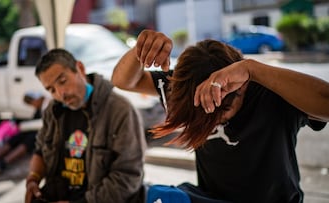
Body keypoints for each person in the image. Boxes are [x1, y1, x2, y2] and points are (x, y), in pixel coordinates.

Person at [111, 30, 329, 203]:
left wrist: (253, 69)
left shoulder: (270, 94)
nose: (212, 119)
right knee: (159, 196)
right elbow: (123, 81)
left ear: (241, 87)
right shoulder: (182, 88)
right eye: (199, 108)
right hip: (212, 198)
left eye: (220, 108)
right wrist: (140, 50)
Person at [25, 48, 146, 203]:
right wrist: (33, 179)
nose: (61, 94)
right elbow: (40, 149)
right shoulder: (53, 111)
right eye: (51, 89)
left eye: (63, 81)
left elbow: (128, 177)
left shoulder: (120, 110)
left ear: (80, 69)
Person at [0, 92, 48, 174]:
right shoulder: (39, 108)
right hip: (32, 130)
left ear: (37, 99)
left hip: (41, 133)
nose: (33, 105)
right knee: (16, 137)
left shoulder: (47, 105)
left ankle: (4, 162)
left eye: (32, 103)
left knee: (28, 141)